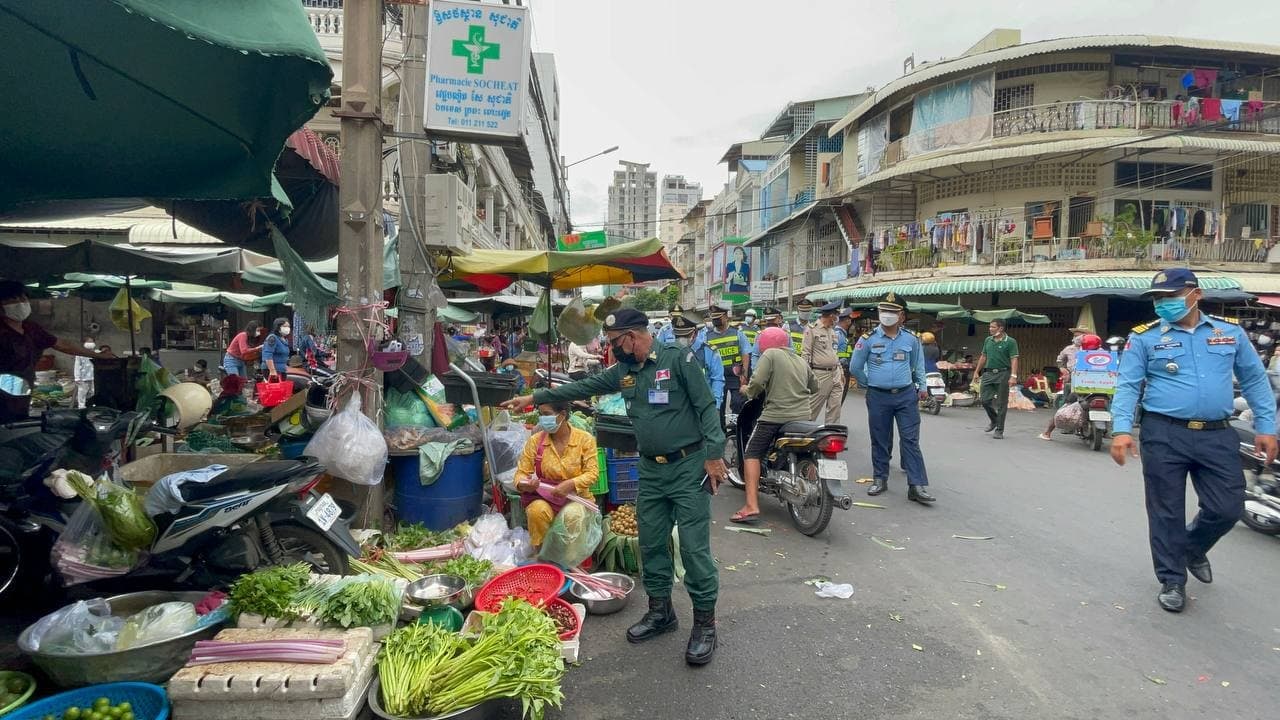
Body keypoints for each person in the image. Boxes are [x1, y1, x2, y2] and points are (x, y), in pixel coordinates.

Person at [500, 308, 726, 665]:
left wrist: (714, 456)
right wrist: (535, 398)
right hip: (650, 470)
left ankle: (705, 625)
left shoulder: (678, 360)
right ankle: (661, 612)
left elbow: (707, 407)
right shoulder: (624, 371)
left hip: (687, 467)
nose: (611, 348)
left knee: (694, 549)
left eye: (614, 342)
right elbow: (583, 387)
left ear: (632, 337)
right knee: (651, 542)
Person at [1110, 269, 1277, 614]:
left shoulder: (1228, 333)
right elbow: (1127, 385)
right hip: (1164, 433)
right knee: (1166, 511)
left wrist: (1266, 426)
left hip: (1218, 433)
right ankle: (1172, 580)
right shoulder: (1144, 338)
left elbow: (1254, 380)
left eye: (1170, 296)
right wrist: (1121, 429)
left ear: (1195, 294)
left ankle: (1192, 546)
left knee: (1228, 507)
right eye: (1158, 298)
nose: (1162, 304)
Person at [848, 292, 935, 504]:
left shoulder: (911, 339)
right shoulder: (867, 339)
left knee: (910, 439)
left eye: (892, 311)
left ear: (901, 316)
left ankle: (916, 485)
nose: (887, 315)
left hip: (906, 395)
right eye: (884, 311)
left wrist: (922, 386)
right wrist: (869, 382)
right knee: (880, 439)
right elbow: (855, 367)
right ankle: (880, 478)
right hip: (878, 396)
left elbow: (918, 365)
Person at [734, 326, 818, 524]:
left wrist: (746, 390)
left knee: (752, 453)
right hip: (803, 417)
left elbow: (757, 383)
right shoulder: (799, 359)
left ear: (763, 344)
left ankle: (751, 505)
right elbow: (814, 386)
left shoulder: (770, 354)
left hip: (775, 416)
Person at [0, 281, 111, 422]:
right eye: (13, 300)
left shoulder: (31, 329)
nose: (20, 303)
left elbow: (62, 345)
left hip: (22, 393)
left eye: (23, 298)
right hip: (4, 393)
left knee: (16, 425)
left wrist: (97, 355)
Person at [513, 401, 599, 549]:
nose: (542, 419)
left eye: (547, 414)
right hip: (546, 496)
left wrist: (570, 484)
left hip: (576, 498)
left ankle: (570, 557)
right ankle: (543, 554)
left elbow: (592, 473)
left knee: (572, 516)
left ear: (563, 415)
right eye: (540, 414)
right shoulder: (535, 441)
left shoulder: (584, 439)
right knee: (536, 511)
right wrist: (524, 484)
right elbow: (521, 472)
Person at [1039, 327, 1092, 441]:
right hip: (1073, 380)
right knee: (1066, 406)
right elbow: (1059, 360)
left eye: (1080, 335)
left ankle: (1107, 429)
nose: (1077, 338)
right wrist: (1062, 369)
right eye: (1075, 336)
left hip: (1095, 381)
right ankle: (1048, 432)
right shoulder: (1069, 349)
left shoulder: (1096, 349)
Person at [973, 318, 1020, 439]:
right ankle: (994, 420)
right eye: (990, 327)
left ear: (1001, 328)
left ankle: (999, 430)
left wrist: (1013, 376)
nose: (990, 329)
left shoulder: (1010, 342)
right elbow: (983, 356)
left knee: (1001, 403)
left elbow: (1014, 359)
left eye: (993, 327)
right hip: (988, 374)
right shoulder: (988, 340)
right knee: (984, 400)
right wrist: (976, 371)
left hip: (1003, 373)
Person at [671, 314, 724, 411]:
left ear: (694, 333)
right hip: (679, 407)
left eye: (685, 335)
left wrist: (715, 406)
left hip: (704, 405)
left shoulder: (709, 351)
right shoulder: (670, 352)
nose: (680, 339)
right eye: (677, 335)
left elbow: (717, 379)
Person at [803, 301, 845, 424]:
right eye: (836, 315)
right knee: (813, 408)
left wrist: (841, 371)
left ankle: (832, 431)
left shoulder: (832, 331)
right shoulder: (812, 329)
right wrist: (806, 376)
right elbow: (806, 354)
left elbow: (834, 353)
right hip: (820, 374)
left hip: (835, 373)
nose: (837, 319)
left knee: (835, 406)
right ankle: (804, 430)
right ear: (831, 316)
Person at [704, 304, 750, 415]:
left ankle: (736, 424)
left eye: (718, 318)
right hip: (717, 376)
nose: (715, 320)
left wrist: (744, 374)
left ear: (725, 317)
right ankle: (721, 426)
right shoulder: (707, 336)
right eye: (714, 318)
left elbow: (745, 354)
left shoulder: (737, 333)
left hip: (736, 375)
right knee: (719, 405)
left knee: (738, 403)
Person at [836, 308, 856, 403]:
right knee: (838, 400)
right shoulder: (839, 335)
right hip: (841, 369)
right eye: (850, 319)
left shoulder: (842, 334)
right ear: (847, 320)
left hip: (842, 369)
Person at [74, 336, 96, 408]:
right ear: (84, 343)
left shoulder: (96, 353)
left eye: (92, 342)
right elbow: (77, 366)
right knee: (82, 392)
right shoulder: (80, 354)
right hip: (83, 377)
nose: (91, 343)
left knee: (93, 392)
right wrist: (77, 377)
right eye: (89, 342)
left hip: (94, 376)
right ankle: (81, 406)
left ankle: (93, 404)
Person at [739, 308, 759, 375]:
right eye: (746, 315)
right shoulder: (741, 328)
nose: (747, 317)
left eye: (750, 316)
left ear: (754, 318)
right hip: (744, 354)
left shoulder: (757, 329)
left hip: (753, 355)